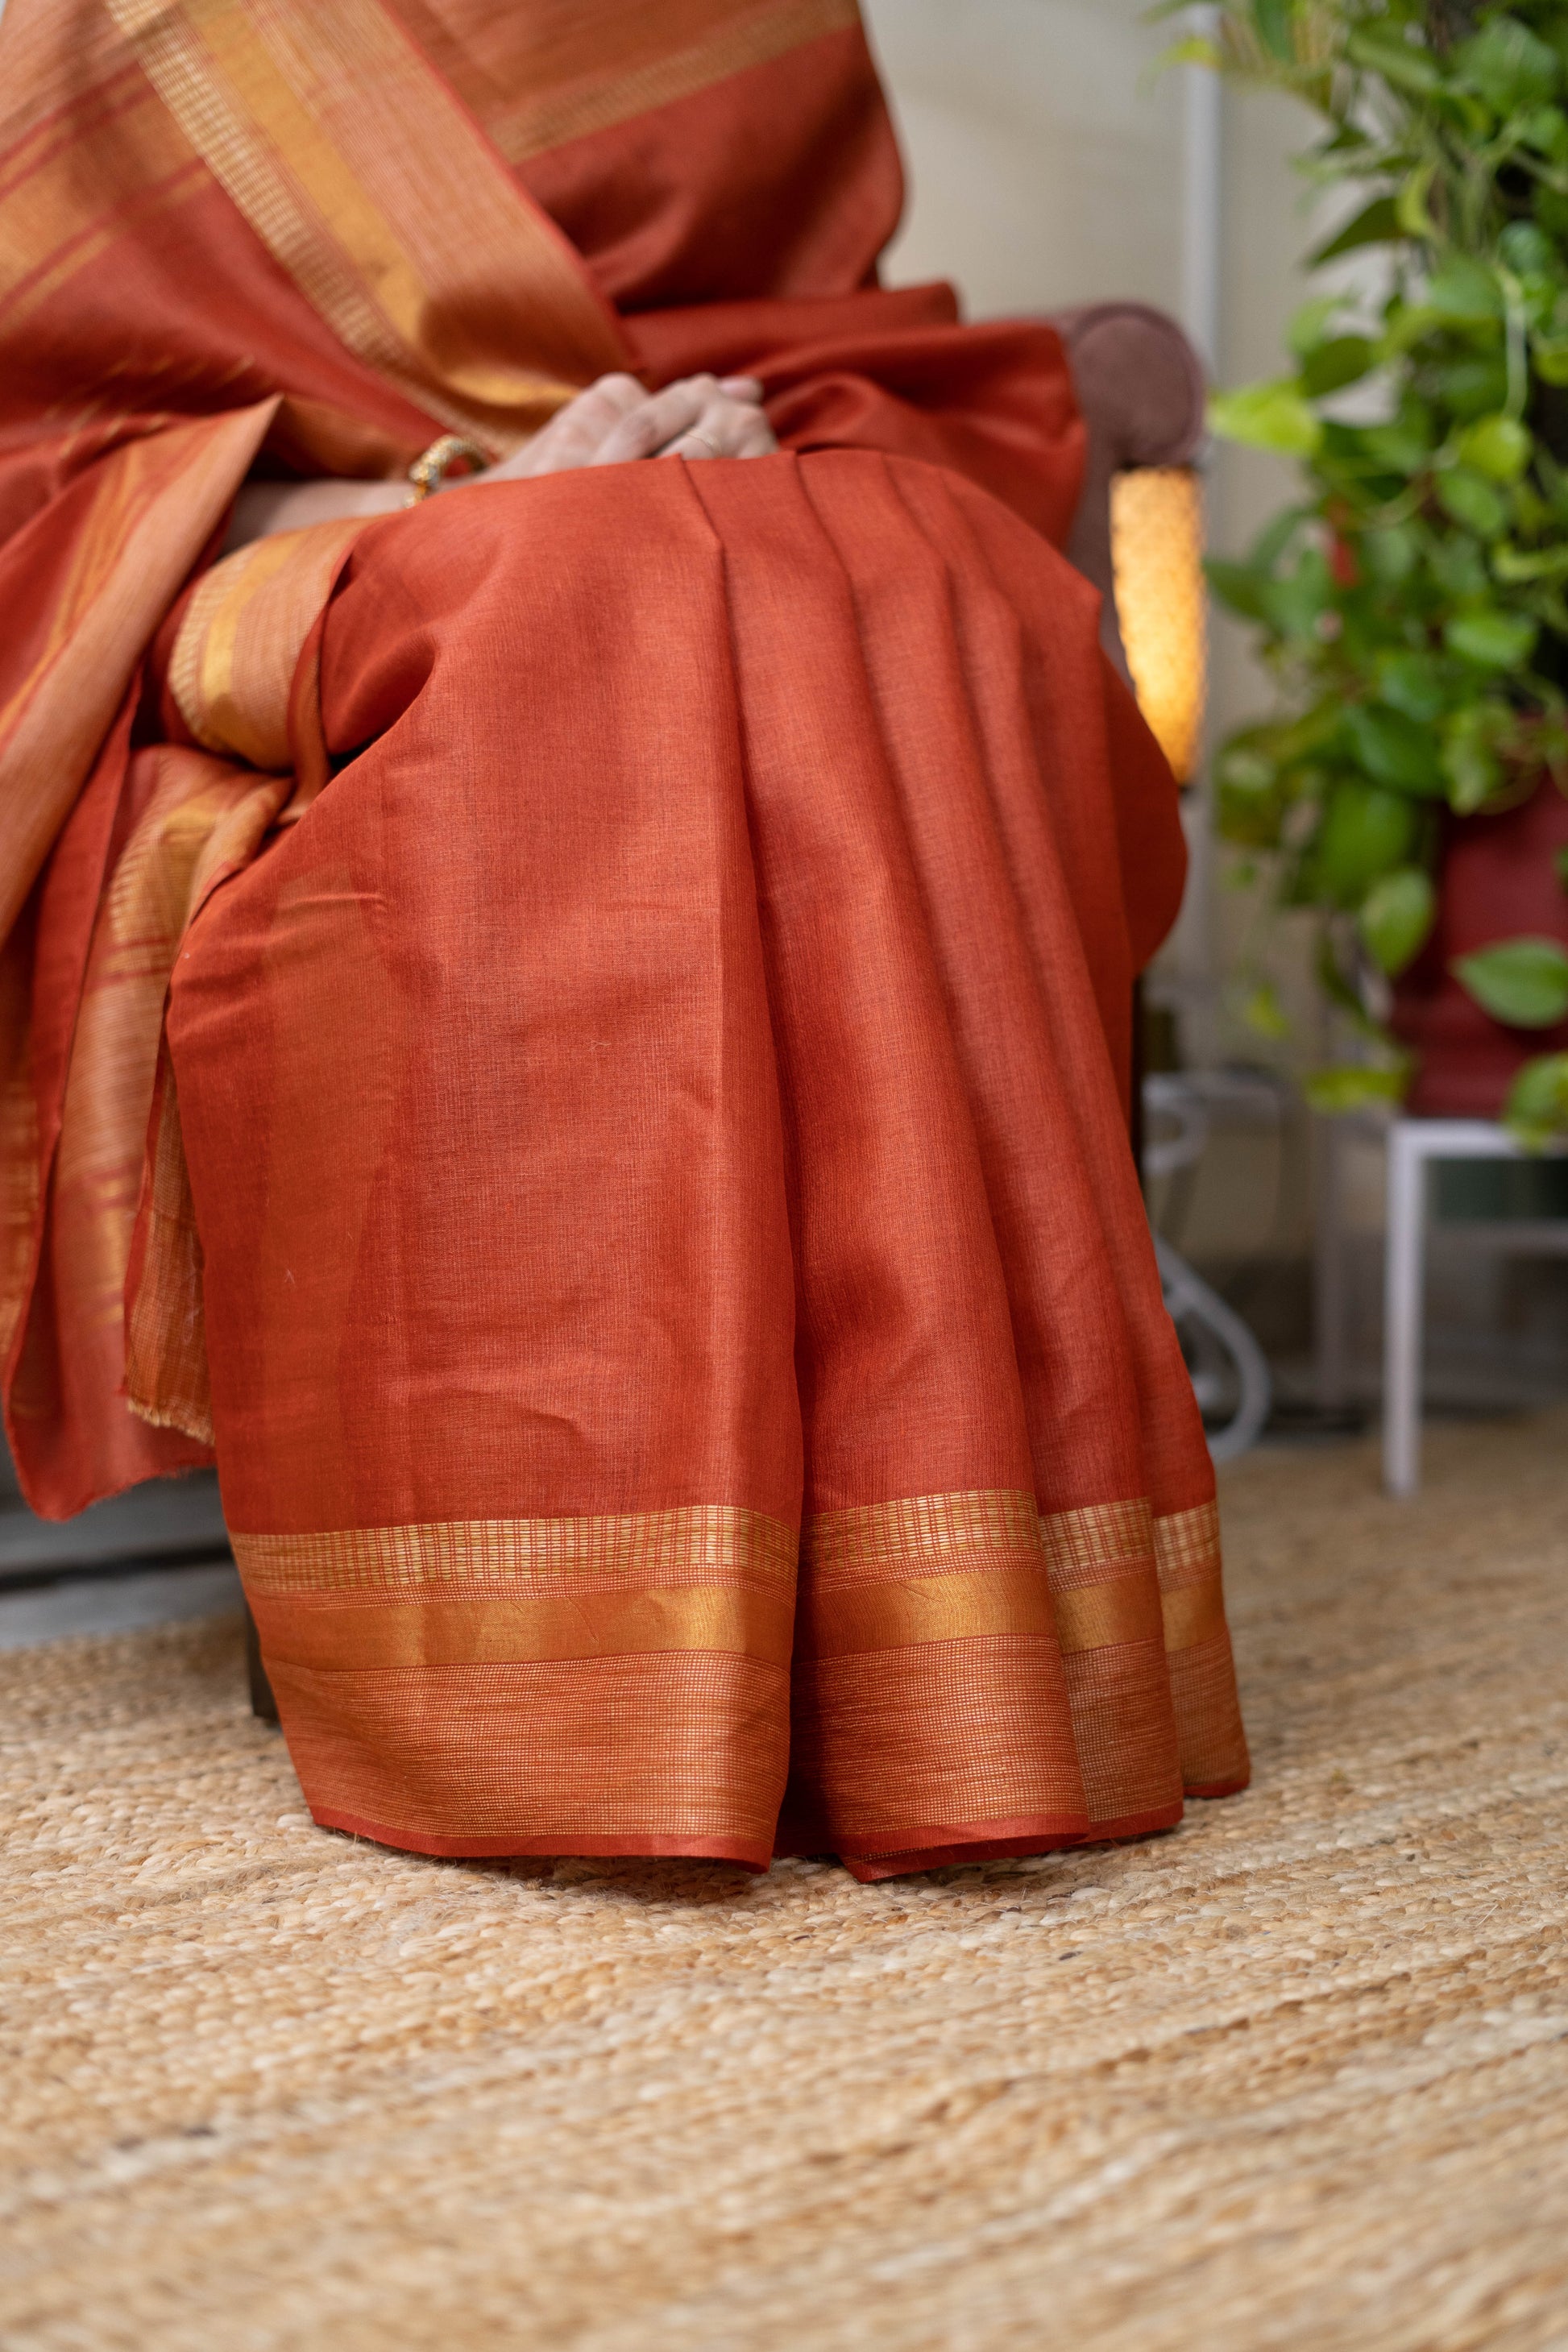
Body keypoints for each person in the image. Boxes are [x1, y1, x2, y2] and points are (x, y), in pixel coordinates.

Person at [0, 0, 1247, 1877]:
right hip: (278, 545)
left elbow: (819, 321)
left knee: (916, 575)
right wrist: (453, 490)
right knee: (590, 606)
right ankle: (568, 1670)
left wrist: (738, 447)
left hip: (715, 473)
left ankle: (936, 1643)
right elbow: (43, 443)